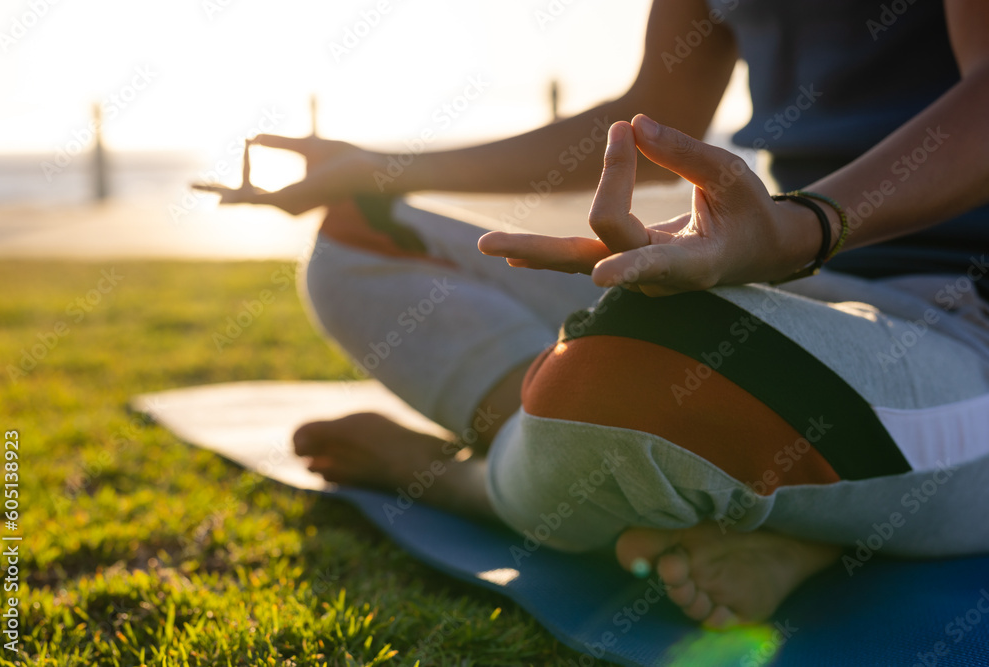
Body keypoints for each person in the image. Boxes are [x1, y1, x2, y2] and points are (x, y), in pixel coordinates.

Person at [195, 0, 989, 629]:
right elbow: (656, 106)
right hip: (784, 285)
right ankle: (733, 501)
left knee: (638, 369)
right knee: (360, 238)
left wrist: (800, 226)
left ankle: (475, 483)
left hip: (958, 326)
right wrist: (381, 169)